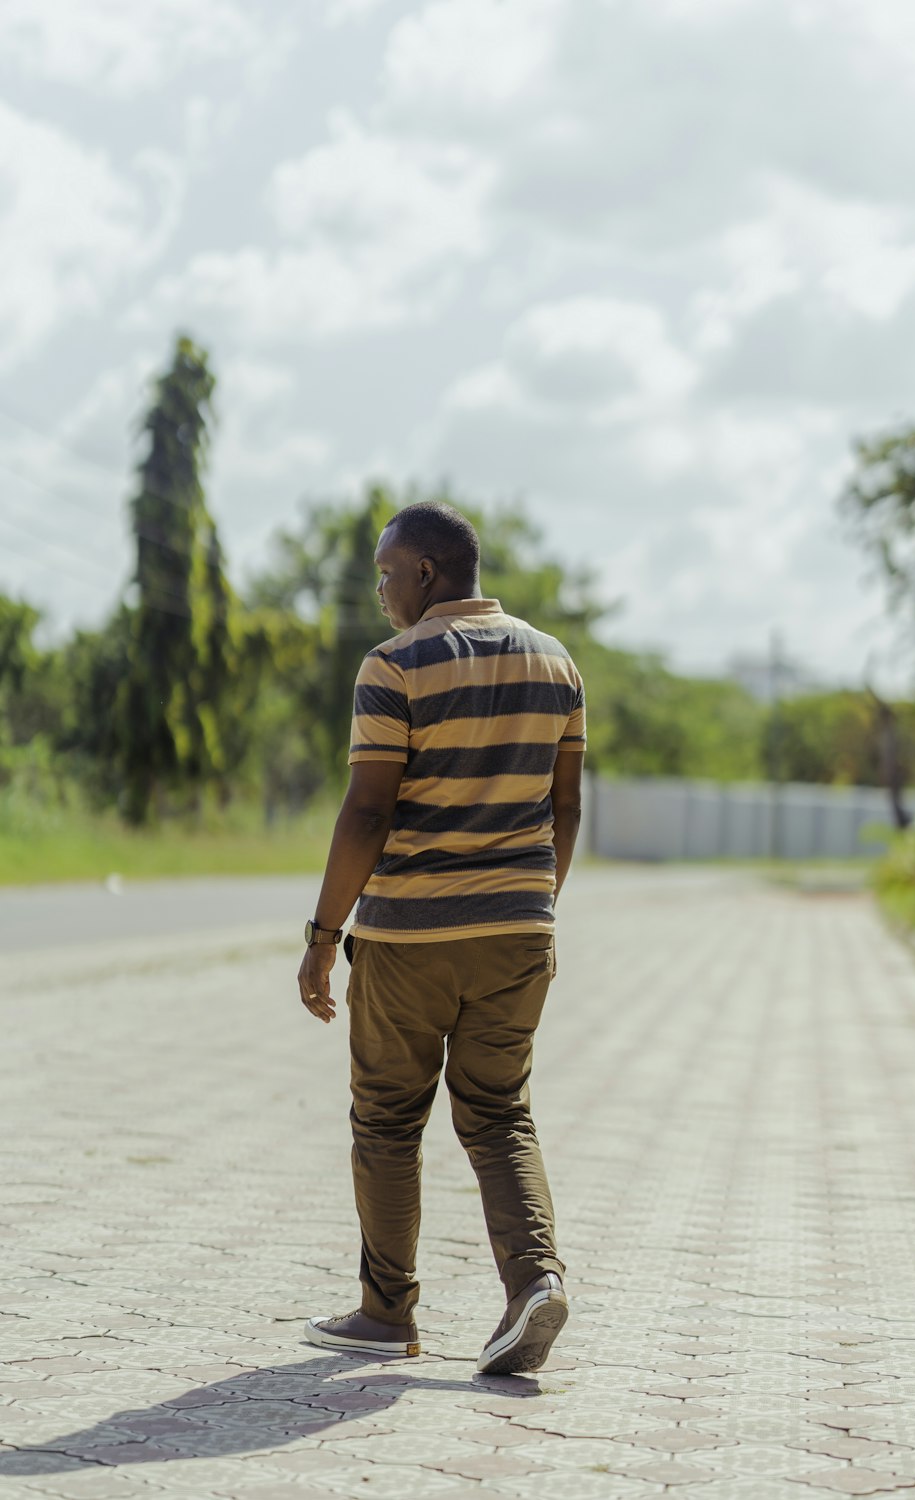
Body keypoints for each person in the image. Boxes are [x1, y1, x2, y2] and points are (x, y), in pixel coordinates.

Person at [296, 500, 585, 1375]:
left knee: (387, 1120)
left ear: (426, 571)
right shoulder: (556, 661)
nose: (380, 590)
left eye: (387, 572)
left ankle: (387, 1315)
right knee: (500, 1114)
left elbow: (369, 810)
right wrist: (530, 904)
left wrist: (321, 933)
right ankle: (534, 1283)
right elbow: (564, 808)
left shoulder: (395, 665)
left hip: (410, 940)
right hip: (519, 933)